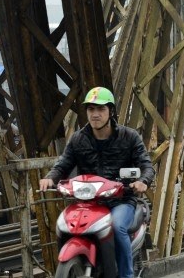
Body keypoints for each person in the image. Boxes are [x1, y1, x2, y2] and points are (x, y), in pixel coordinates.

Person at [39, 87, 156, 278]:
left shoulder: (129, 137)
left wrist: (143, 181)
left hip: (121, 201)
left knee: (117, 226)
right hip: (88, 203)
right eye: (91, 109)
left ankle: (126, 275)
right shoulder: (78, 139)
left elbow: (147, 166)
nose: (95, 114)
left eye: (100, 109)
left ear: (110, 111)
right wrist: (50, 178)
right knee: (64, 225)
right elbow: (63, 165)